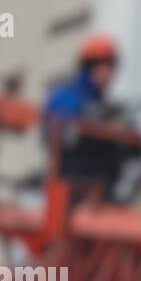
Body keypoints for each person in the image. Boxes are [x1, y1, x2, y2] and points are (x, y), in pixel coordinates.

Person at [42, 33, 128, 201]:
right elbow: (60, 133)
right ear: (90, 67)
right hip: (74, 178)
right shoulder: (67, 95)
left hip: (98, 179)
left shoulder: (99, 101)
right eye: (104, 66)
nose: (109, 74)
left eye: (111, 67)